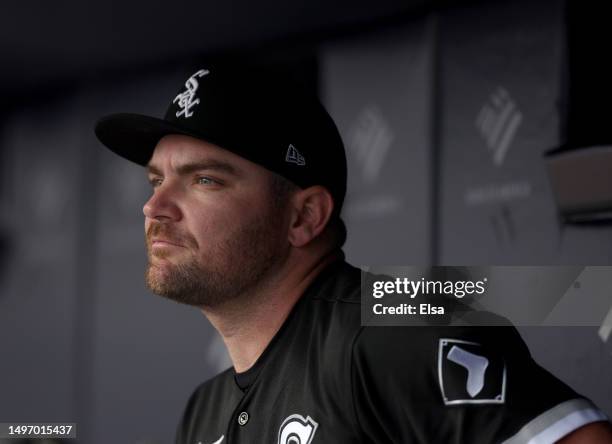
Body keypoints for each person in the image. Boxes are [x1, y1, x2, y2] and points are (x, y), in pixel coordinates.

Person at [95, 63, 612, 443]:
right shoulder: (204, 411)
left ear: (304, 218)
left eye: (204, 180)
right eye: (157, 180)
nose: (154, 206)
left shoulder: (395, 327)